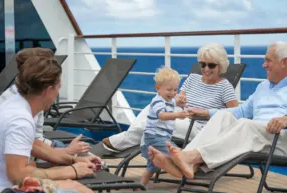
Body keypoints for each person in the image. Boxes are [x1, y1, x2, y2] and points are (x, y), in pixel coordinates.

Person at [148, 41, 287, 179]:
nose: (263, 65)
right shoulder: (263, 87)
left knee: (246, 124)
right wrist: (206, 113)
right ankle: (187, 162)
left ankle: (187, 158)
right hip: (255, 136)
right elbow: (240, 111)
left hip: (280, 141)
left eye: (268, 60)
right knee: (223, 115)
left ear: (284, 63)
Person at [0, 56, 95, 193]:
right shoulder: (20, 120)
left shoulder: (17, 103)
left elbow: (33, 144)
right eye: (58, 88)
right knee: (82, 191)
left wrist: (74, 160)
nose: (58, 93)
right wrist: (71, 171)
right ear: (48, 90)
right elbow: (18, 176)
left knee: (71, 185)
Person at [102, 43, 238, 152]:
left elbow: (234, 115)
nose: (206, 69)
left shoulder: (225, 87)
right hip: (180, 116)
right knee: (153, 107)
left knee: (155, 122)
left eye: (211, 65)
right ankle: (125, 139)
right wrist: (178, 101)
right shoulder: (193, 79)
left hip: (198, 128)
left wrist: (205, 113)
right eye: (203, 64)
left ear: (220, 66)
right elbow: (177, 99)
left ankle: (120, 142)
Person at [0, 47, 92, 157]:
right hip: (7, 157)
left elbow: (31, 143)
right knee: (80, 156)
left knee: (80, 155)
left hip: (0, 153)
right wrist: (67, 153)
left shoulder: (21, 95)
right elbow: (21, 165)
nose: (58, 93)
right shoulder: (23, 110)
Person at [139, 67, 189, 186]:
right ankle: (183, 172)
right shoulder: (157, 101)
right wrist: (177, 114)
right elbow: (162, 115)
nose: (172, 93)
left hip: (161, 137)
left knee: (152, 167)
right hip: (155, 137)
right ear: (158, 88)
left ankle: (140, 187)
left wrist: (181, 105)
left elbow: (174, 104)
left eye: (175, 90)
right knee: (177, 153)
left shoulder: (169, 100)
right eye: (169, 90)